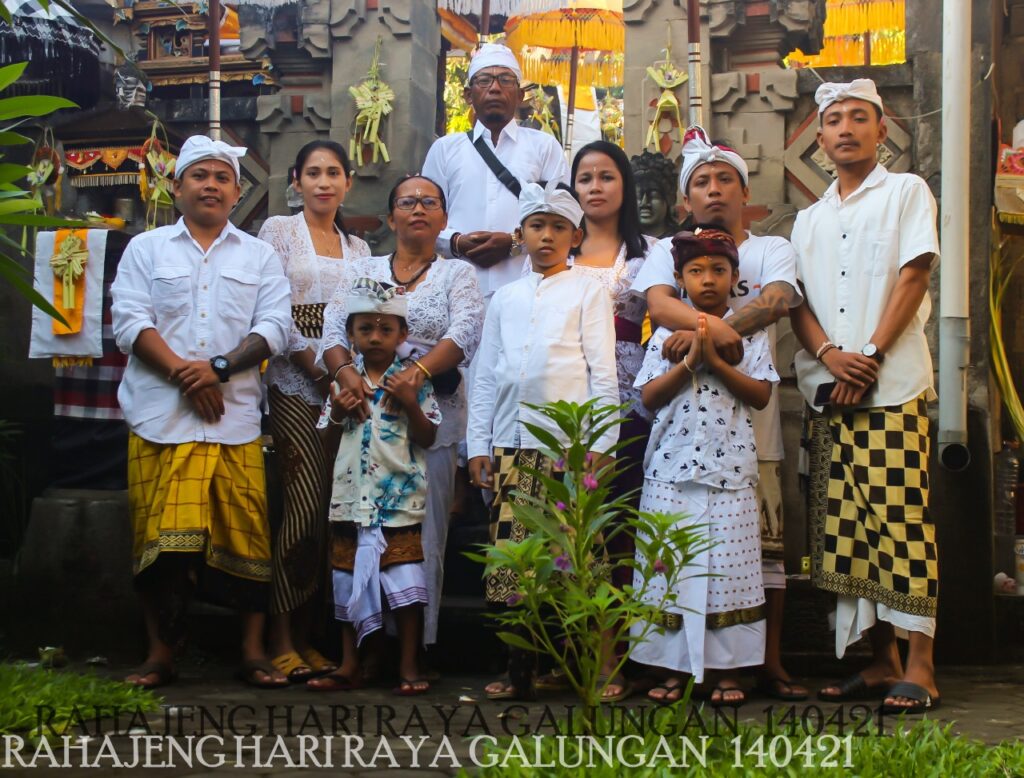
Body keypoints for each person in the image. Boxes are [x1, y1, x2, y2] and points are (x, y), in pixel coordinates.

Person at [631, 126, 807, 704]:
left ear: (743, 189)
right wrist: (709, 335)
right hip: (679, 449)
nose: (713, 190)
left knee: (761, 555)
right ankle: (677, 663)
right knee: (681, 553)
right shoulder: (667, 251)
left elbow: (781, 297)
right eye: (701, 181)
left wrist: (705, 334)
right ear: (686, 199)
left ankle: (764, 662)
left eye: (724, 179)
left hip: (749, 442)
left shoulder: (769, 249)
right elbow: (658, 305)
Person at [111, 135, 292, 689]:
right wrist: (183, 377)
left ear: (237, 192)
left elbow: (275, 328)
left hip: (231, 419)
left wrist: (215, 369)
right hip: (159, 419)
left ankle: (253, 651)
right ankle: (161, 653)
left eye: (221, 177)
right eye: (199, 175)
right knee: (159, 544)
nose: (210, 185)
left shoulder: (259, 254)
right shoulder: (146, 249)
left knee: (246, 538)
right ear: (177, 185)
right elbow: (130, 323)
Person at [788, 79, 941, 714]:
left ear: (883, 130)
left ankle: (923, 666)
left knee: (900, 523)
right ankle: (879, 661)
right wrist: (830, 356)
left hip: (893, 385)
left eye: (859, 118)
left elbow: (914, 272)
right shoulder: (809, 218)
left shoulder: (906, 191)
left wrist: (871, 355)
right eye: (833, 120)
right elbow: (797, 303)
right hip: (830, 387)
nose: (845, 128)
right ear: (818, 138)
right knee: (845, 528)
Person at [317, 175, 484, 667]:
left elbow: (466, 333)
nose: (417, 209)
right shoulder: (362, 269)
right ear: (391, 218)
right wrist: (348, 377)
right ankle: (366, 650)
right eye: (406, 201)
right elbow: (332, 328)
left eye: (428, 202)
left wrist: (413, 377)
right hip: (362, 423)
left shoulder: (458, 275)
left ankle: (411, 652)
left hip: (426, 424)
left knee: (419, 540)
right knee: (360, 538)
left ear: (443, 219)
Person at [467, 180, 619, 701]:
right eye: (537, 226)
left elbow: (603, 375)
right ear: (520, 234)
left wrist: (603, 445)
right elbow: (485, 376)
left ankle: (599, 666)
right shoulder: (506, 298)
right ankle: (520, 671)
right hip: (513, 445)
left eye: (558, 227)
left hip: (571, 448)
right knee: (517, 560)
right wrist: (478, 447)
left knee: (582, 556)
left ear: (575, 235)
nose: (547, 236)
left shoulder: (589, 291)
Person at [631, 228, 777, 707]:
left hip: (729, 473)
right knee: (671, 567)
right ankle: (674, 669)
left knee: (726, 570)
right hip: (670, 473)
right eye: (696, 271)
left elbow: (759, 396)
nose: (707, 279)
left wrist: (714, 356)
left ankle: (726, 670)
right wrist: (690, 362)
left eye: (718, 270)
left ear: (735, 279)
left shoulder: (748, 336)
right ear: (679, 279)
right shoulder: (664, 339)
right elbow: (648, 398)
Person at [257, 140, 370, 683]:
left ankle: (307, 637)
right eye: (314, 173)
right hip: (296, 384)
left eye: (334, 173)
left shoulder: (360, 249)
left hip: (343, 392)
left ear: (347, 181)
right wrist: (323, 374)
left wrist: (346, 380)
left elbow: (359, 324)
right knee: (300, 509)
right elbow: (276, 312)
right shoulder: (278, 232)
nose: (324, 182)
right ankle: (278, 637)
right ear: (296, 180)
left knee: (332, 514)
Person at [315, 279, 442, 696]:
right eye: (365, 329)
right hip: (350, 501)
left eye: (385, 329)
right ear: (350, 334)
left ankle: (407, 663)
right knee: (346, 579)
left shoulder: (412, 382)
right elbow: (326, 445)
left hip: (399, 500)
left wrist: (408, 402)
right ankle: (349, 663)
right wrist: (336, 412)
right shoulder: (342, 384)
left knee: (405, 584)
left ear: (402, 335)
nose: (374, 337)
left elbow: (427, 438)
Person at [564, 140, 656, 701]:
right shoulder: (555, 251)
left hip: (628, 399)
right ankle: (565, 653)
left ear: (624, 186)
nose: (594, 187)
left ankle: (613, 655)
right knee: (570, 530)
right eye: (584, 179)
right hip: (566, 400)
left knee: (618, 530)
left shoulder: (649, 257)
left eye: (605, 177)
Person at [421, 42, 569, 300]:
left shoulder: (544, 147)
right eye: (485, 80)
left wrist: (515, 242)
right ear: (468, 95)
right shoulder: (444, 150)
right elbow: (424, 217)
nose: (495, 88)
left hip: (528, 291)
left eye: (505, 80)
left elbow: (562, 215)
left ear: (520, 95)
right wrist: (455, 242)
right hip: (455, 291)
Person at [630, 149, 680, 239]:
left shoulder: (682, 243)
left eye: (653, 196)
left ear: (670, 198)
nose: (644, 203)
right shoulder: (622, 243)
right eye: (638, 196)